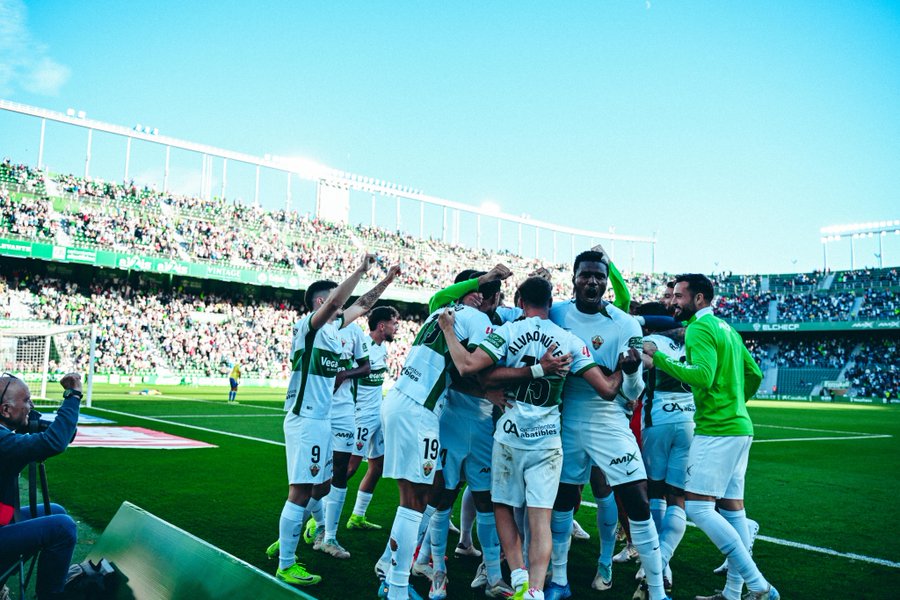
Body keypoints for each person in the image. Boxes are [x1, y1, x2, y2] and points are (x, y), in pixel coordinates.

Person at [438, 276, 622, 600]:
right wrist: (625, 366)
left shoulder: (506, 333)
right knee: (541, 518)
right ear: (551, 303)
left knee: (502, 506)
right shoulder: (568, 339)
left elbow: (473, 369)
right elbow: (607, 390)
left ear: (520, 301)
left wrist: (451, 331)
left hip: (510, 436)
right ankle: (536, 590)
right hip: (549, 441)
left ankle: (519, 576)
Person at [375, 266, 511, 600]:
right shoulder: (479, 319)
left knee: (429, 492)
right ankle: (395, 584)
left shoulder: (438, 308)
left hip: (401, 403)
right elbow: (473, 365)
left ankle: (391, 568)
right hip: (420, 411)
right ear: (482, 296)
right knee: (416, 502)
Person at [646, 274, 779, 600]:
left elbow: (702, 377)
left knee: (699, 509)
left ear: (700, 299)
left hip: (716, 431)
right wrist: (734, 404)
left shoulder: (699, 328)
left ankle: (759, 586)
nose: (673, 302)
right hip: (739, 428)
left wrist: (658, 358)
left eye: (679, 296)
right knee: (734, 513)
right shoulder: (727, 329)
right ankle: (733, 593)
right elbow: (755, 374)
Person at [546, 250, 668, 600]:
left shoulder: (625, 323)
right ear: (574, 277)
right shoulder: (557, 314)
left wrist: (631, 373)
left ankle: (653, 589)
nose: (593, 281)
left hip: (609, 418)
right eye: (586, 274)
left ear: (606, 280)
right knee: (564, 500)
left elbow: (634, 391)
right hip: (567, 417)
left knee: (635, 498)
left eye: (599, 275)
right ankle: (558, 580)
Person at [270, 253, 397, 588]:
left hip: (324, 421)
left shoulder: (336, 329)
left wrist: (385, 281)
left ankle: (289, 538)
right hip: (306, 420)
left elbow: (363, 305)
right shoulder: (309, 328)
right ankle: (286, 563)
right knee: (299, 491)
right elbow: (343, 300)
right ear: (323, 302)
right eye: (337, 303)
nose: (344, 309)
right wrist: (360, 270)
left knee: (323, 486)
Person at [0, 373, 82, 600]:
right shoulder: (3, 441)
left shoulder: (5, 434)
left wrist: (36, 423)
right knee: (62, 527)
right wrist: (73, 395)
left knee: (54, 511)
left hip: (1, 514)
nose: (31, 405)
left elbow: (62, 435)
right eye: (26, 400)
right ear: (5, 410)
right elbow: (54, 442)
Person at [346, 305, 401, 530]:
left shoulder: (382, 349)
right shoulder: (362, 347)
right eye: (394, 323)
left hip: (378, 414)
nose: (397, 327)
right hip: (361, 417)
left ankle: (357, 516)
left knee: (377, 466)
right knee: (348, 469)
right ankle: (315, 515)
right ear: (382, 325)